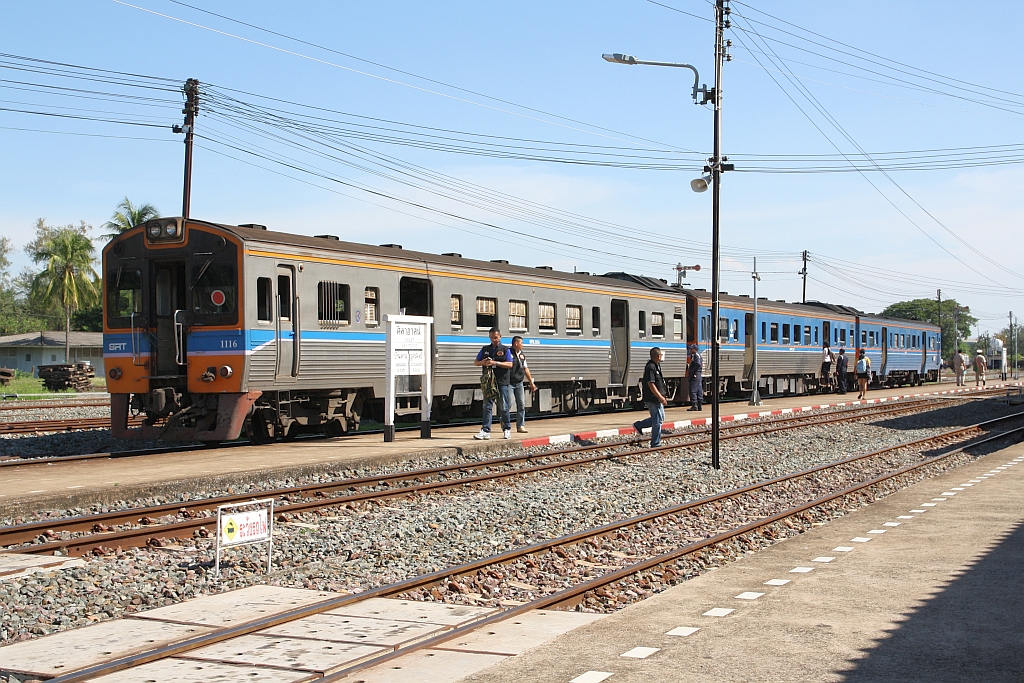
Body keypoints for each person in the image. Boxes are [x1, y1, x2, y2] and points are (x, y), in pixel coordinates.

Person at [473, 327, 514, 440]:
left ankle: (507, 429)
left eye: (495, 337)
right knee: (487, 406)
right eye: (491, 338)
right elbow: (475, 362)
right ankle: (485, 430)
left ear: (500, 337)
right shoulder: (485, 349)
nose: (493, 340)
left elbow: (510, 364)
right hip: (489, 382)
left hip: (502, 381)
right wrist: (483, 362)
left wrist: (495, 362)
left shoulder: (505, 349)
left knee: (504, 406)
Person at [634, 347, 669, 446]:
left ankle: (639, 425)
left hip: (657, 398)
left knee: (659, 418)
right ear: (658, 356)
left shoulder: (656, 366)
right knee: (657, 421)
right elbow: (651, 384)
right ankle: (655, 443)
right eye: (661, 355)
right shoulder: (650, 367)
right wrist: (660, 397)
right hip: (653, 398)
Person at [509, 335, 537, 433]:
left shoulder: (522, 355)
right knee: (508, 403)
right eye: (521, 343)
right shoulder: (508, 353)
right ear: (516, 343)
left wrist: (531, 383)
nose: (523, 345)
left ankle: (520, 426)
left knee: (521, 404)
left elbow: (526, 369)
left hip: (519, 382)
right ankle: (504, 421)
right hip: (509, 383)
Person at [686, 344, 704, 411]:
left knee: (693, 390)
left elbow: (698, 364)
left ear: (695, 349)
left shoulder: (696, 356)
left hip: (695, 375)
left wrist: (694, 372)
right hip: (698, 374)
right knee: (699, 389)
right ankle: (699, 405)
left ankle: (694, 405)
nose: (690, 350)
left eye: (691, 349)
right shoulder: (696, 355)